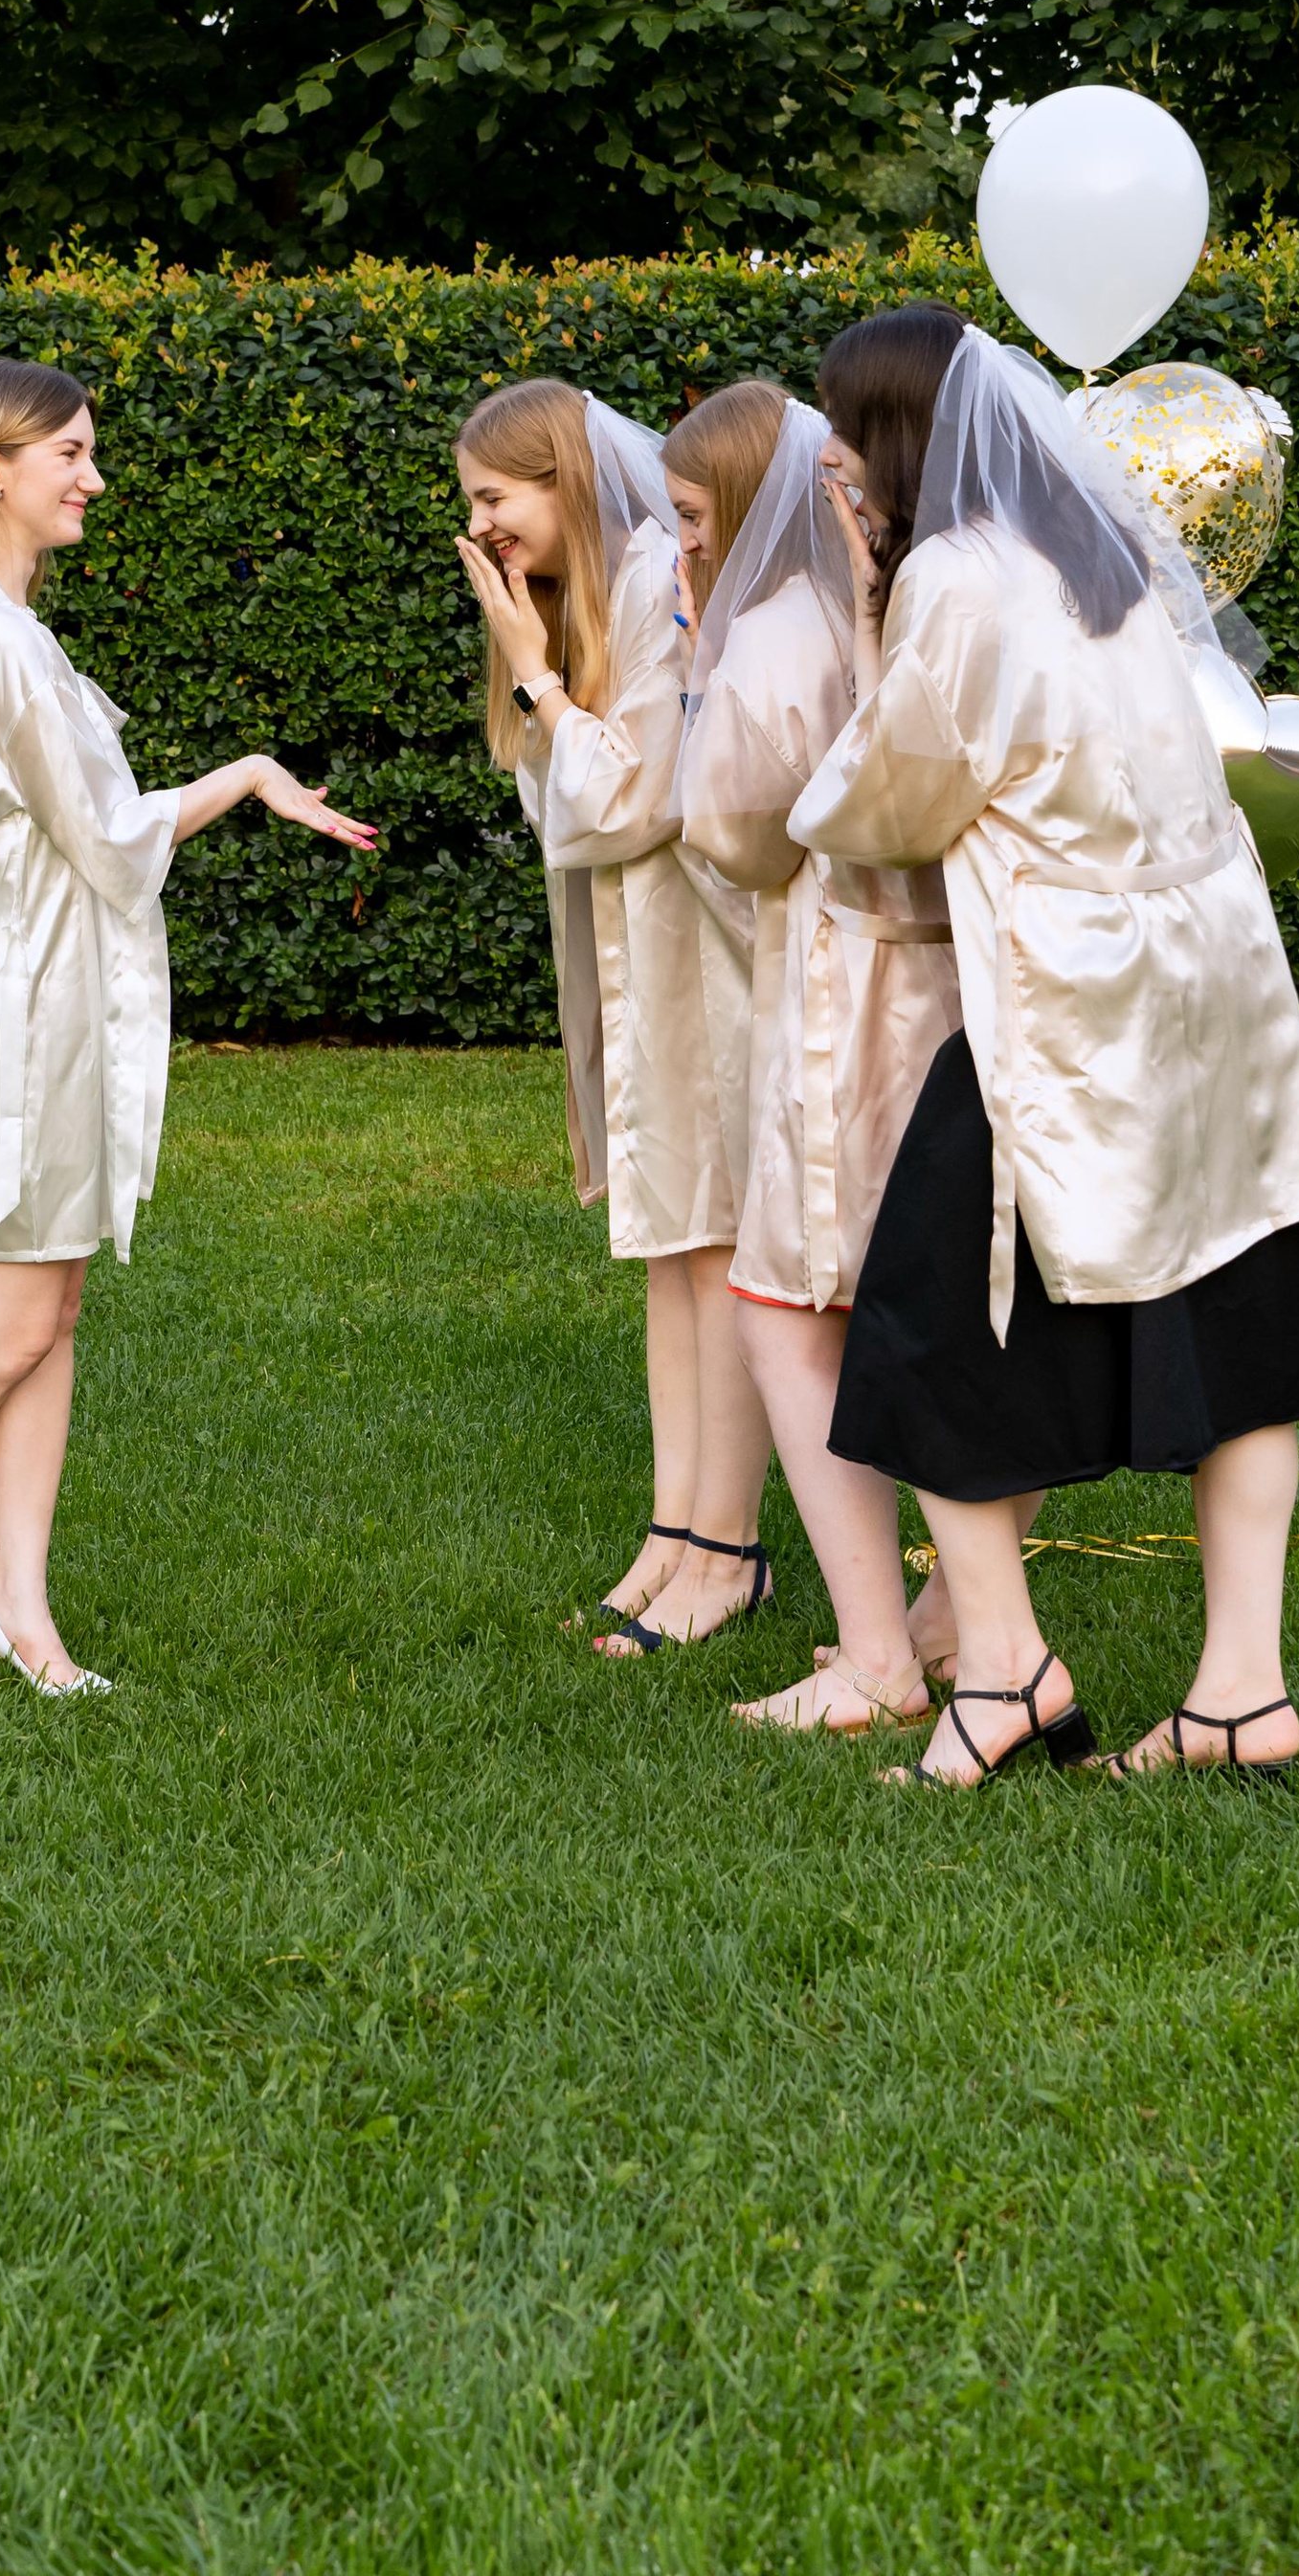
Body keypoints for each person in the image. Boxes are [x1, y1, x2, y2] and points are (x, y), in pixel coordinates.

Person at [789, 308, 1299, 1787]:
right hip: (1219, 992)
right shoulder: (1110, 560)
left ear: (888, 444)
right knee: (1244, 1320)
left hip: (1066, 1010)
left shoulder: (955, 574)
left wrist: (871, 614)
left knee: (923, 1322)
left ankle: (1003, 1675)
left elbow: (889, 809)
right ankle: (1239, 1694)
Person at [0, 358, 376, 1711]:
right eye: (72, 454)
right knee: (6, 1324)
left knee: (46, 1313)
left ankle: (18, 1605)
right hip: (31, 1025)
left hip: (28, 1012)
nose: (93, 477)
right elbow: (108, 841)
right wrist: (254, 777)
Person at [454, 377, 771, 1653]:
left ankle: (728, 1545)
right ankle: (673, 1527)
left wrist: (537, 680)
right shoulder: (586, 597)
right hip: (648, 952)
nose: (482, 527)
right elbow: (568, 818)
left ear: (564, 480)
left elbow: (633, 802)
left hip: (704, 953)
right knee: (667, 1244)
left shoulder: (650, 577)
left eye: (495, 498)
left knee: (716, 1248)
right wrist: (534, 666)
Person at [673, 380, 968, 1736]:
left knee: (788, 1303)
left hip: (841, 993)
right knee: (953, 1297)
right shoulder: (936, 603)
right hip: (962, 991)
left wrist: (693, 688)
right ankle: (958, 1610)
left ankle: (873, 1653)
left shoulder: (776, 634)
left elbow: (736, 836)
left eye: (688, 517)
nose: (679, 548)